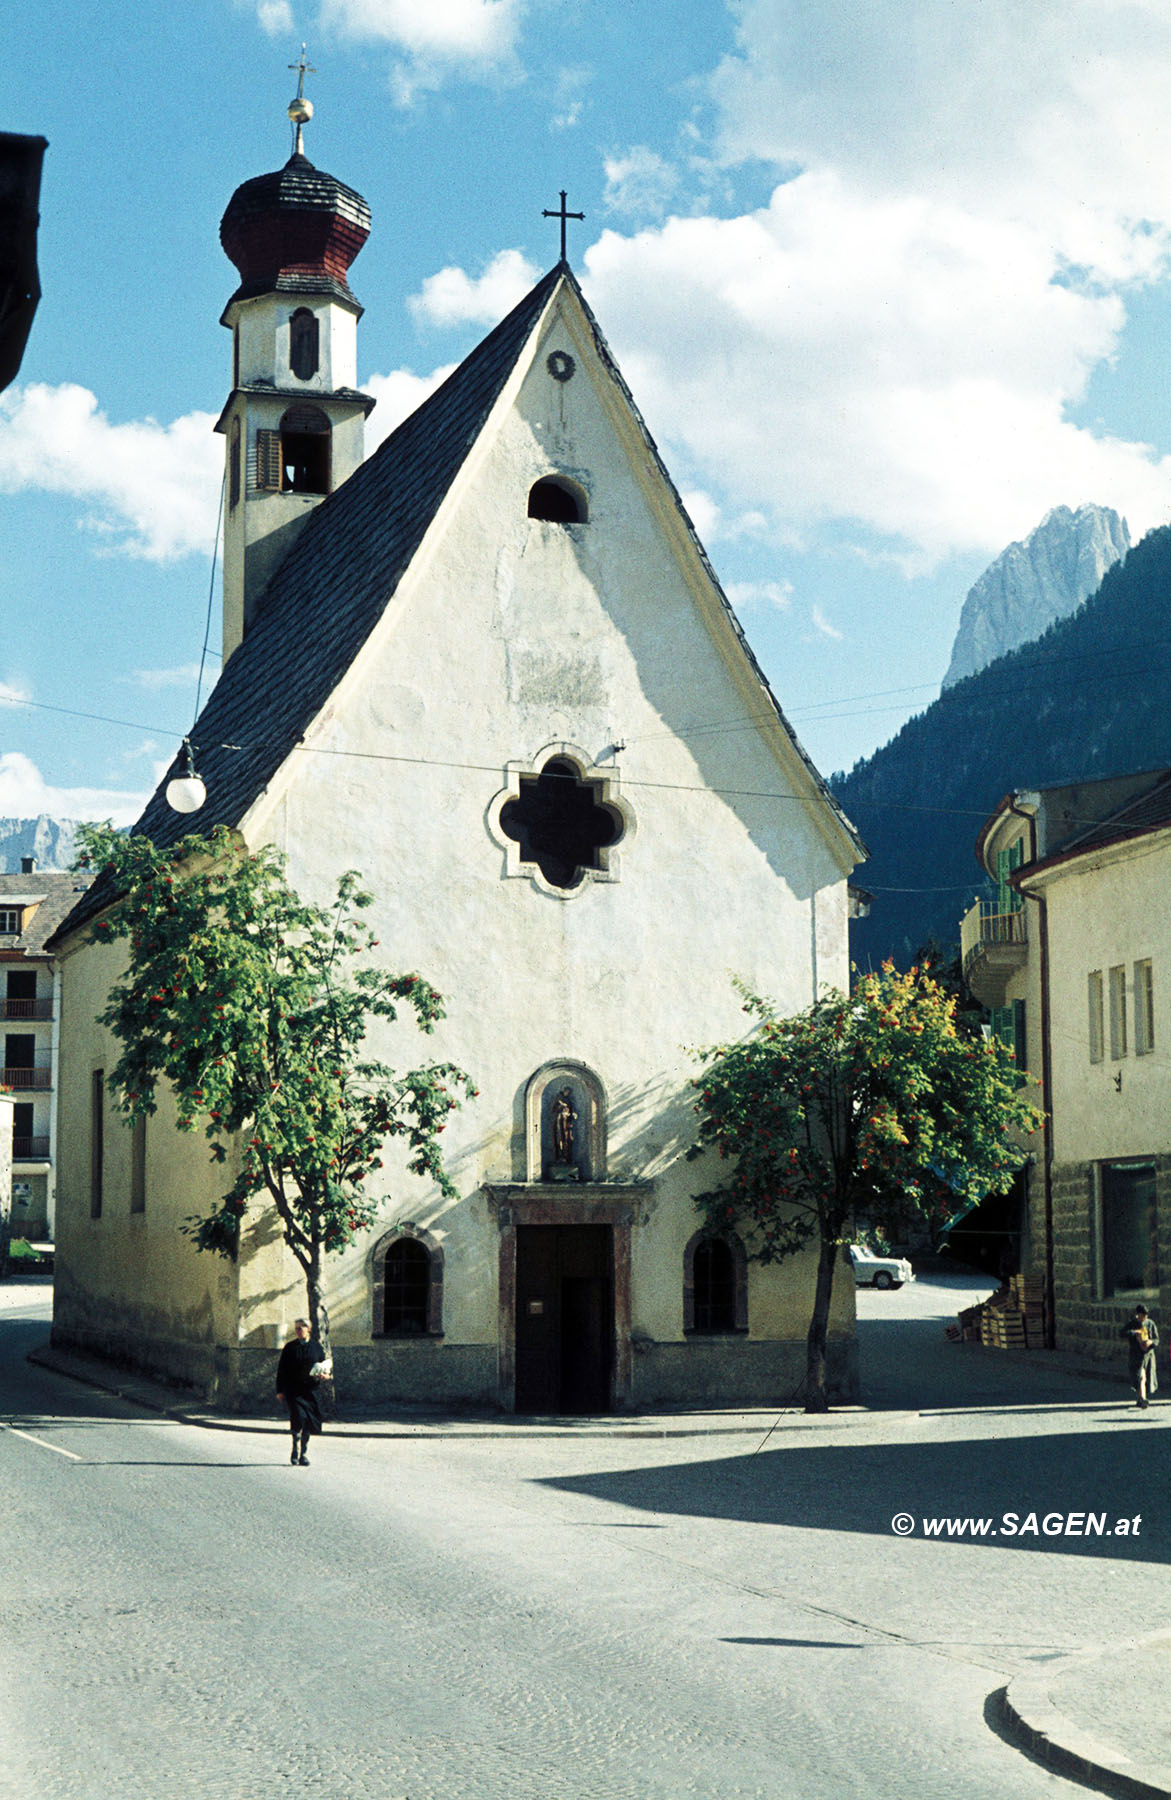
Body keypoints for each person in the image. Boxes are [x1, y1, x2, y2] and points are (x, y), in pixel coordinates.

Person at [276, 1317, 327, 1464]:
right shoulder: (290, 1348)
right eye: (296, 1328)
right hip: (294, 1391)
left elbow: (324, 1365)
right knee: (299, 1418)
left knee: (309, 1422)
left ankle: (303, 1453)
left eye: (301, 1328)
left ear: (308, 1329)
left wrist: (325, 1375)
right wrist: (280, 1390)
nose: (298, 1331)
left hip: (311, 1391)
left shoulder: (317, 1347)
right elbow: (281, 1370)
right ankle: (295, 1449)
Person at [1121, 1304, 1159, 1409]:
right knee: (1140, 1377)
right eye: (1143, 1315)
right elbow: (1122, 1333)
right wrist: (1134, 1332)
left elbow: (1156, 1339)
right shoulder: (1132, 1323)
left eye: (1146, 1316)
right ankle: (1142, 1398)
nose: (1144, 1318)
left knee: (1145, 1377)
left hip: (1148, 1356)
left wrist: (1150, 1343)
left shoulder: (1150, 1324)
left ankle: (1141, 1398)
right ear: (1138, 1315)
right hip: (1136, 1354)